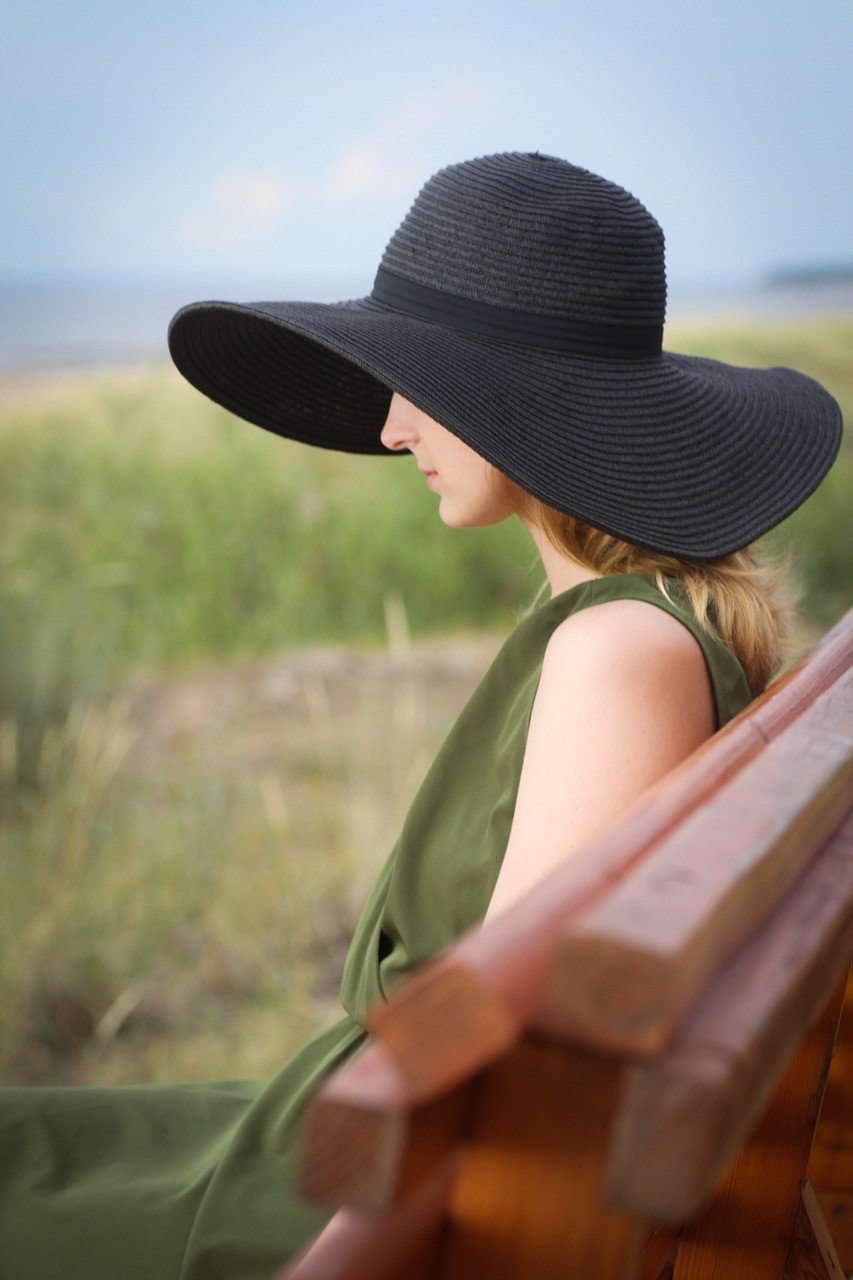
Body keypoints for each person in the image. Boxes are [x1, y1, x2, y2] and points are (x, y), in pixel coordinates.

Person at [0, 152, 842, 1279]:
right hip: (337, 1125)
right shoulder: (630, 625)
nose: (393, 426)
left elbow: (499, 1053)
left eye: (422, 384)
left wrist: (340, 1251)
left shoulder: (615, 652)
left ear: (524, 402)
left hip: (347, 1185)